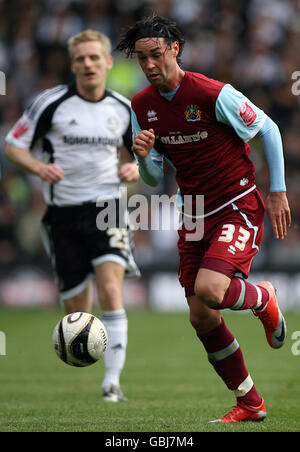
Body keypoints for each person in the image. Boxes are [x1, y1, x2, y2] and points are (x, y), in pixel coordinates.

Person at [116, 14, 291, 422]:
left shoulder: (212, 93)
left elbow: (270, 130)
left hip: (236, 203)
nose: (150, 65)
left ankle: (263, 298)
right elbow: (155, 176)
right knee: (201, 315)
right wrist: (143, 159)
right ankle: (250, 401)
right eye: (142, 59)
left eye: (156, 55)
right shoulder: (141, 107)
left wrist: (278, 191)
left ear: (174, 49)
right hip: (192, 210)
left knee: (212, 290)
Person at [5, 29, 140, 403]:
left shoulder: (123, 108)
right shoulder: (50, 103)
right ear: (73, 64)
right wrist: (38, 167)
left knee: (112, 289)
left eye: (95, 57)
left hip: (107, 208)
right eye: (81, 59)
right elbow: (14, 145)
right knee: (77, 314)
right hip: (62, 212)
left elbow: (147, 156)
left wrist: (136, 169)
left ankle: (112, 383)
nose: (88, 64)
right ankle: (96, 353)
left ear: (108, 62)